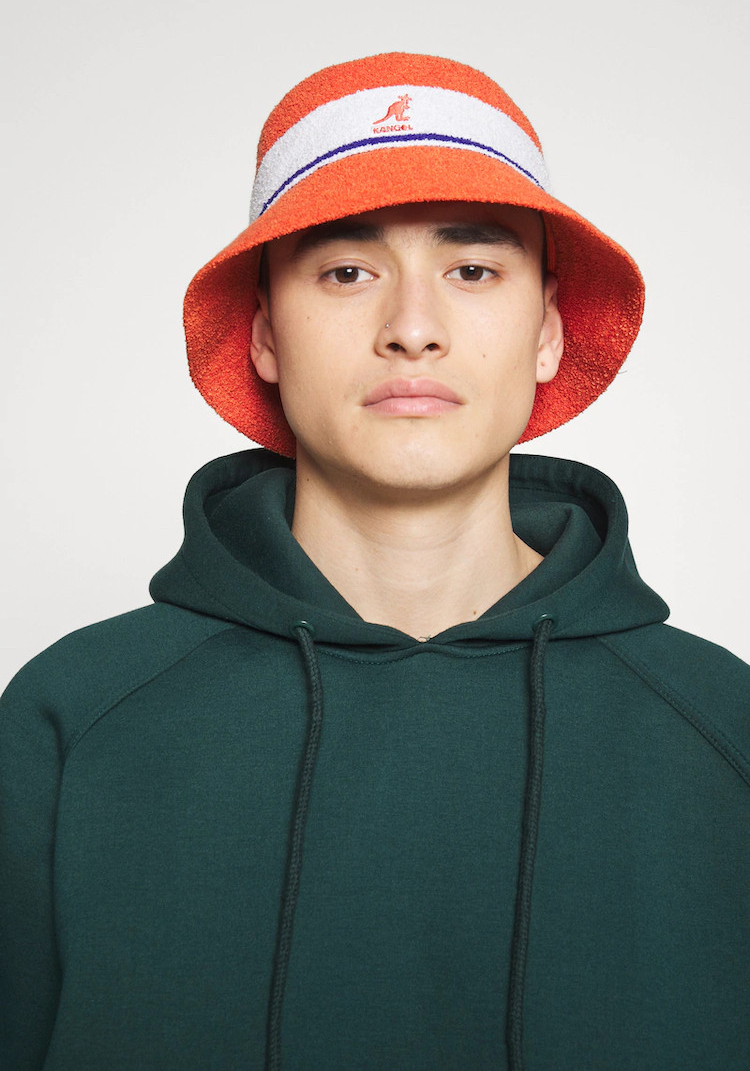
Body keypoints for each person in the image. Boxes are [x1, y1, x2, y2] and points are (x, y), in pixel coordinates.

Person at [1, 52, 748, 1071]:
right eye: (347, 272)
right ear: (265, 335)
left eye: (472, 270)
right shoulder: (72, 721)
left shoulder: (724, 730)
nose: (412, 330)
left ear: (547, 332)